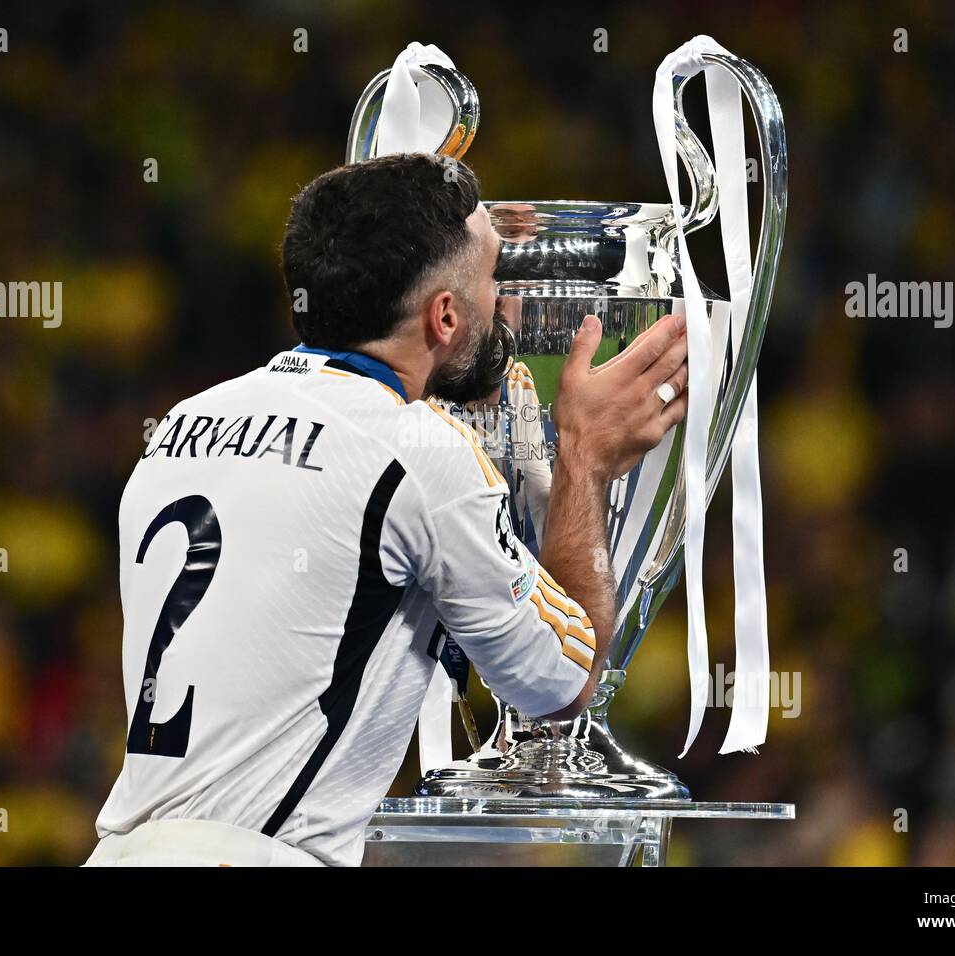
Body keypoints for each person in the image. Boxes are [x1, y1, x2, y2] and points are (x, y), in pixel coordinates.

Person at [85, 152, 689, 867]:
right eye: (496, 280)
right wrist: (583, 456)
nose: (511, 307)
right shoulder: (416, 450)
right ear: (443, 315)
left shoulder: (185, 424)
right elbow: (561, 682)